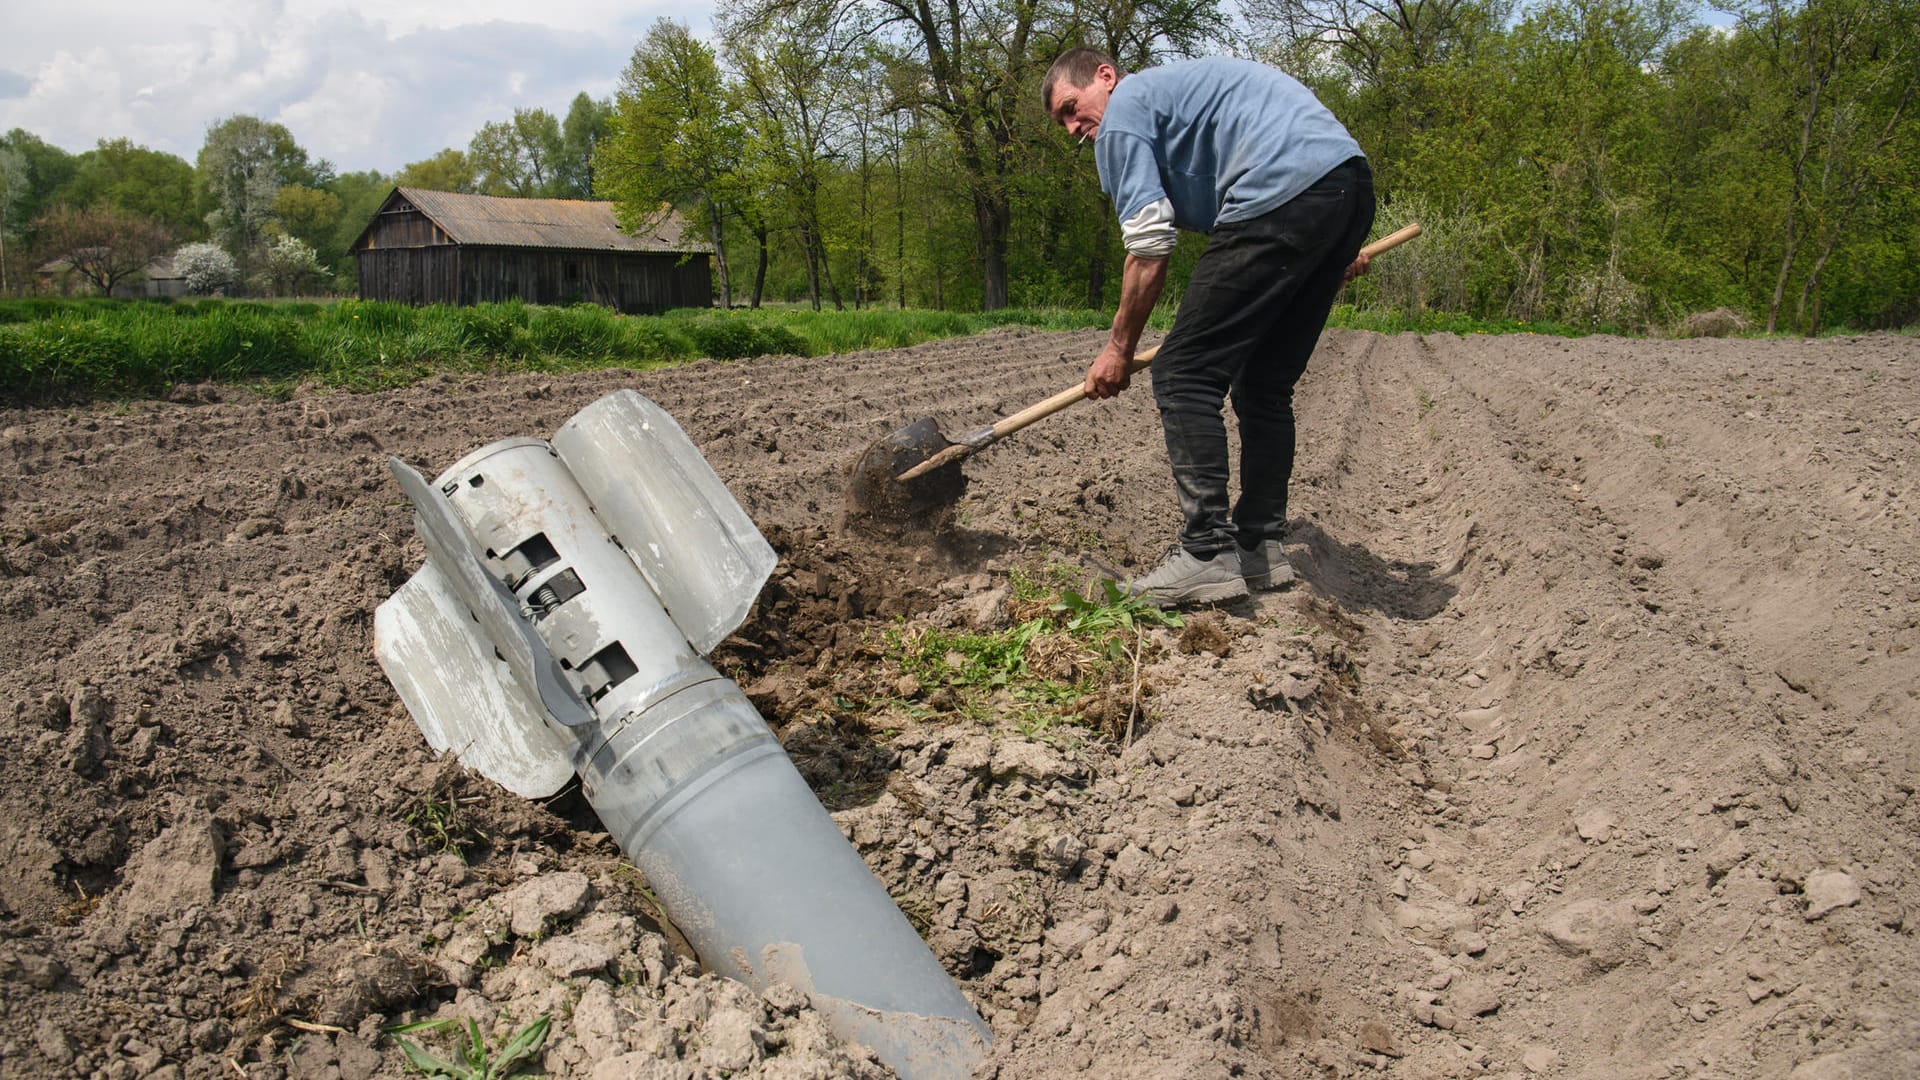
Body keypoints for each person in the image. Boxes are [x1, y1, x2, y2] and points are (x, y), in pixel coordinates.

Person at [1042, 48, 1376, 605]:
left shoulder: (1125, 115)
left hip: (1282, 188)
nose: (1075, 128)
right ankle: (1258, 548)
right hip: (1343, 184)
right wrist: (1326, 245)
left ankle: (1205, 554)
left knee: (1182, 371)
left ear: (1106, 77)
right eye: (1064, 124)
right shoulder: (1175, 102)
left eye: (1072, 108)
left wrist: (1118, 348)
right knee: (1264, 385)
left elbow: (1149, 246)